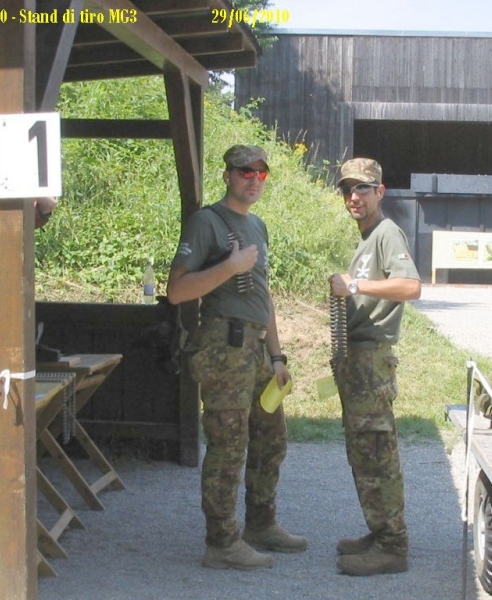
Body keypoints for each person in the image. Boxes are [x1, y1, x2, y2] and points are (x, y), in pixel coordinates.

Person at [166, 145, 306, 571]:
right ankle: (222, 542)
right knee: (228, 445)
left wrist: (277, 356)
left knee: (271, 439)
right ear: (227, 175)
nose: (253, 180)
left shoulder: (257, 225)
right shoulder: (207, 222)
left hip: (257, 349)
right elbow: (177, 290)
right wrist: (230, 267)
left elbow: (264, 298)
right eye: (245, 172)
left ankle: (260, 524)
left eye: (261, 174)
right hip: (224, 348)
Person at [328, 158, 421, 576]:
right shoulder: (367, 238)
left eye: (362, 188)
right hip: (359, 359)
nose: (354, 196)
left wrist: (355, 285)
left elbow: (411, 286)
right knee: (364, 453)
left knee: (377, 453)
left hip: (372, 360)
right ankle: (380, 531)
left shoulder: (386, 233)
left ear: (380, 192)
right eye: (348, 189)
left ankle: (392, 545)